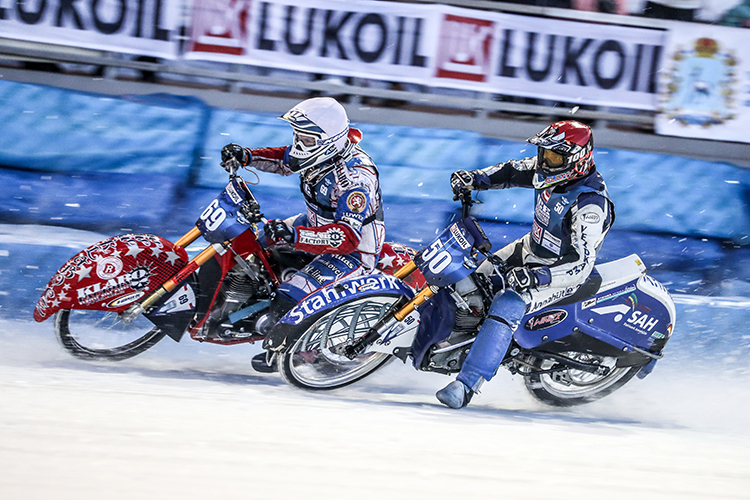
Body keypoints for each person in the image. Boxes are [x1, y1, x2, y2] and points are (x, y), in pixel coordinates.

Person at [435, 120, 615, 408]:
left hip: (558, 274)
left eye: (554, 156)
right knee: (467, 277)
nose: (545, 161)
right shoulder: (550, 170)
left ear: (577, 158)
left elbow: (581, 264)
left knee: (507, 302)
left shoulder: (590, 204)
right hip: (529, 248)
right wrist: (474, 178)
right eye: (544, 153)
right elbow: (510, 171)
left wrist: (538, 277)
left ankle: (466, 384)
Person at [220, 97, 385, 371]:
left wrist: (294, 236)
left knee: (289, 297)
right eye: (298, 135)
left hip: (353, 250)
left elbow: (347, 238)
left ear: (328, 141)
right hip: (312, 224)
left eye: (306, 139)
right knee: (248, 244)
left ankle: (300, 353)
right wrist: (246, 156)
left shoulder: (356, 180)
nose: (298, 144)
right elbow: (286, 158)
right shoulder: (319, 152)